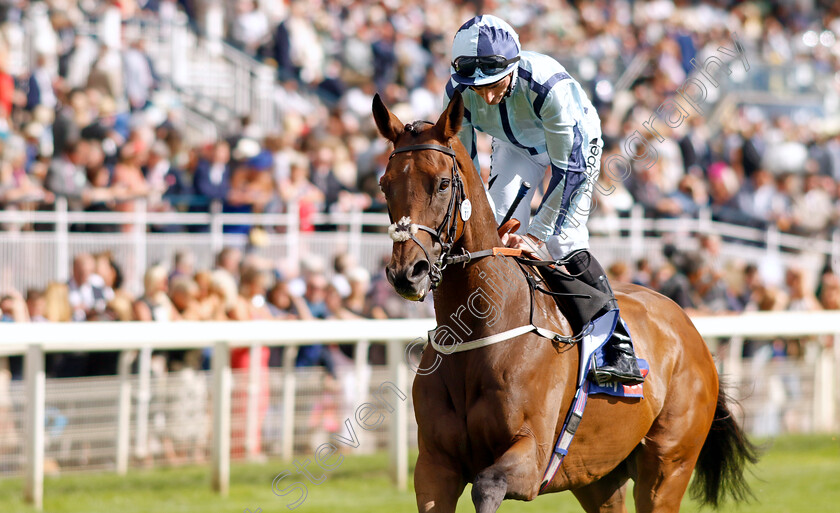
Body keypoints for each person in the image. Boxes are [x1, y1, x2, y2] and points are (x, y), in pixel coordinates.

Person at [445, 15, 642, 385]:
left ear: (513, 66)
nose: (485, 95)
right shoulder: (457, 91)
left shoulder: (548, 87)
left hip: (574, 147)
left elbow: (570, 171)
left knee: (559, 239)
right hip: (517, 146)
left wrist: (534, 235)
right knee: (494, 231)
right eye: (476, 87)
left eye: (493, 83)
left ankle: (618, 346)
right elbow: (464, 166)